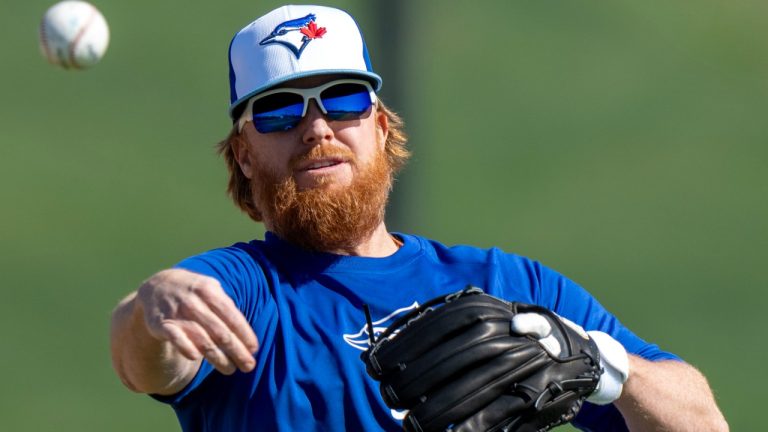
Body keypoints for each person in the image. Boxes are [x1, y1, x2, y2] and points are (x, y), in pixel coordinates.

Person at [110, 4, 728, 431]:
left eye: (344, 100)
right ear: (244, 154)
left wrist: (598, 362)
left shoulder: (508, 287)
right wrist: (150, 308)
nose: (317, 127)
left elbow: (700, 423)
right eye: (278, 112)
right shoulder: (244, 289)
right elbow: (144, 361)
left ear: (380, 127)